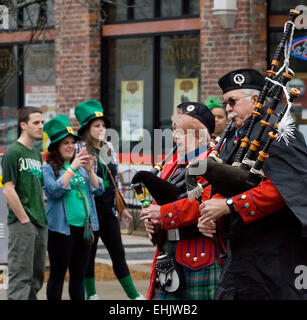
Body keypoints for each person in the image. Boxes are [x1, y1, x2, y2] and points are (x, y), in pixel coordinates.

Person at [198, 68, 307, 299]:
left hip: (274, 250)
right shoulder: (237, 136)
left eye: (232, 102)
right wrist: (213, 215)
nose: (227, 109)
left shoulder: (276, 132)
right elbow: (231, 180)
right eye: (226, 102)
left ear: (255, 100)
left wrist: (229, 205)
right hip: (241, 247)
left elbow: (286, 187)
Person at [140, 102, 225, 300]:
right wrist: (152, 218)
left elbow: (204, 203)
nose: (176, 136)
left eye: (183, 132)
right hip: (170, 252)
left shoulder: (212, 162)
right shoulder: (173, 162)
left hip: (199, 255)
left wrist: (163, 214)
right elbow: (161, 197)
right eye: (175, 130)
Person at [74, 100, 144, 300]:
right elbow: (80, 183)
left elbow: (115, 180)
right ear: (87, 129)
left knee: (118, 253)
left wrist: (122, 208)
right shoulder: (80, 149)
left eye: (104, 125)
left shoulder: (109, 147)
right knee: (89, 256)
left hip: (109, 211)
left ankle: (133, 296)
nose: (102, 129)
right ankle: (92, 295)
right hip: (89, 212)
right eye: (97, 126)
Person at [42, 114, 104, 300]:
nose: (70, 146)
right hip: (62, 231)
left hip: (84, 230)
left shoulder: (81, 166)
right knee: (58, 276)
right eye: (65, 143)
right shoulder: (48, 168)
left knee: (78, 277)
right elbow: (54, 190)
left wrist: (90, 170)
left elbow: (99, 189)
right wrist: (72, 167)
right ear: (56, 147)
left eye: (72, 142)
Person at [1, 107, 47, 300]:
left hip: (40, 223)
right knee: (21, 277)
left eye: (42, 122)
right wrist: (25, 220)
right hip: (22, 224)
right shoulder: (13, 153)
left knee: (36, 278)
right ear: (23, 125)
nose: (41, 126)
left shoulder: (36, 154)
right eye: (36, 123)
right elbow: (8, 189)